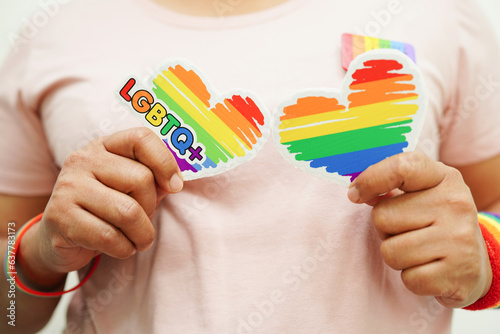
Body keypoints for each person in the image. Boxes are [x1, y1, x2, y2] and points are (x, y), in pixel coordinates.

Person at [1, 0, 500, 333]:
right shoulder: (56, 33)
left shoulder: (439, 13)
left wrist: (486, 259)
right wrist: (36, 254)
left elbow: (489, 208)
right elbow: (8, 314)